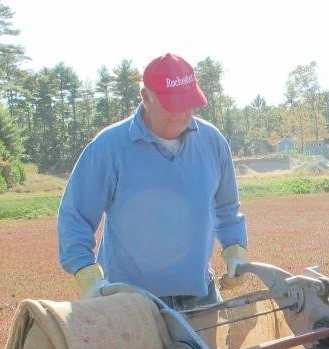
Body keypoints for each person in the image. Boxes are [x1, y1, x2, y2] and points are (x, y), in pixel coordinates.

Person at [57, 53, 248, 309]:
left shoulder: (212, 142)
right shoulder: (108, 147)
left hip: (200, 297)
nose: (181, 114)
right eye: (172, 105)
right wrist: (88, 276)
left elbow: (226, 208)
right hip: (129, 304)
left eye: (188, 104)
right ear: (146, 97)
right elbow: (75, 217)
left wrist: (235, 250)